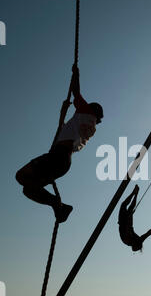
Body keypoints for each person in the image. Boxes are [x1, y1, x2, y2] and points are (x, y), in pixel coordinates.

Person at [15, 65, 104, 223]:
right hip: (62, 162)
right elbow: (63, 130)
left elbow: (76, 92)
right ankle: (59, 206)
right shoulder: (89, 128)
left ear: (91, 109)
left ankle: (57, 203)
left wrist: (76, 73)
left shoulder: (86, 111)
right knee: (28, 189)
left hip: (56, 157)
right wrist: (62, 113)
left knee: (21, 176)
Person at [118, 185, 151, 252]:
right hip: (127, 224)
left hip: (123, 223)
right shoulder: (139, 240)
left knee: (125, 206)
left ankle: (135, 193)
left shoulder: (127, 241)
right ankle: (135, 194)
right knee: (128, 208)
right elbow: (147, 234)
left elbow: (126, 229)